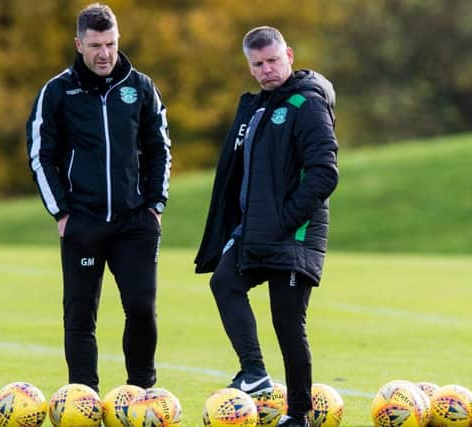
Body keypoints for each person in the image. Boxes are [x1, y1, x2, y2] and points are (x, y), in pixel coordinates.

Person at [195, 26, 339, 427]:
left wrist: (285, 220)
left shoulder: (306, 103)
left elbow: (324, 174)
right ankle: (255, 373)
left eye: (273, 60)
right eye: (257, 64)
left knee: (288, 325)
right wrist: (238, 229)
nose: (266, 69)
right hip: (257, 234)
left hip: (295, 234)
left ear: (289, 55)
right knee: (224, 282)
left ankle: (299, 415)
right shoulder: (259, 107)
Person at [26, 3, 171, 392]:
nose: (104, 53)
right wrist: (61, 214)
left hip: (134, 222)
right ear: (78, 44)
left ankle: (141, 393)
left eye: (110, 43)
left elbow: (160, 148)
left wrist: (155, 205)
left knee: (142, 309)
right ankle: (83, 397)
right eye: (95, 45)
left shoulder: (140, 86)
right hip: (83, 222)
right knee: (79, 318)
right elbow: (41, 155)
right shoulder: (57, 91)